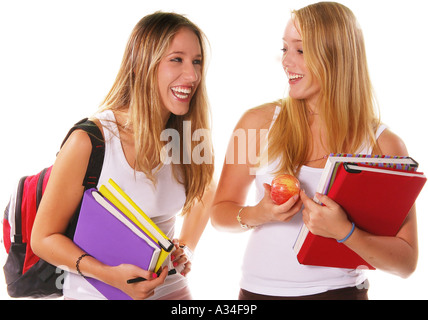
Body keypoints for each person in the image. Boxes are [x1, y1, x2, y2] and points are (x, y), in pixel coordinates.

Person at [210, 2, 418, 300]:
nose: (286, 61)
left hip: (340, 294)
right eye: (284, 49)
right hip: (256, 295)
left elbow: (405, 263)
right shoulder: (257, 123)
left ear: (336, 55)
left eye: (300, 50)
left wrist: (345, 232)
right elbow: (220, 213)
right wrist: (261, 213)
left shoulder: (382, 146)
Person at [31, 12, 215, 300]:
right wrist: (109, 275)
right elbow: (43, 238)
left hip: (173, 293)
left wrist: (186, 246)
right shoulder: (91, 140)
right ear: (144, 64)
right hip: (96, 293)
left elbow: (205, 192)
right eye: (176, 59)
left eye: (197, 61)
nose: (192, 76)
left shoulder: (189, 137)